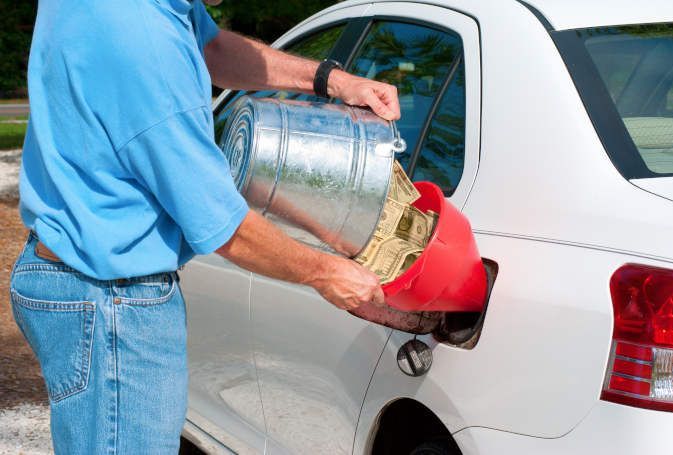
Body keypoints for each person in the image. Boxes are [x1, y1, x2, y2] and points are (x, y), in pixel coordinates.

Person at [9, 0, 401, 453]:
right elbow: (222, 224)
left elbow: (211, 48)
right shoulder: (146, 52)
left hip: (69, 273)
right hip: (113, 304)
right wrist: (327, 272)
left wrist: (333, 81)